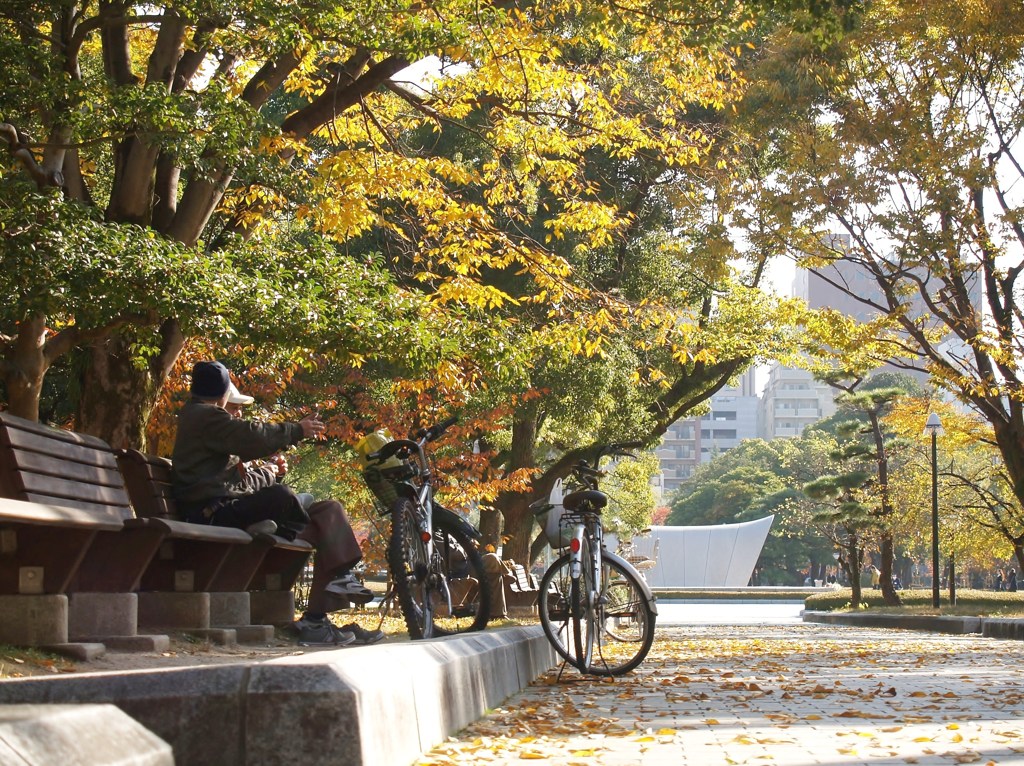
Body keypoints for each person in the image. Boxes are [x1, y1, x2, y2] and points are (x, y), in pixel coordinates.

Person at [171, 360, 383, 647]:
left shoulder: (205, 423)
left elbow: (239, 484)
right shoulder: (205, 416)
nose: (237, 412)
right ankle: (320, 612)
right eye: (233, 404)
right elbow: (250, 435)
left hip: (232, 510)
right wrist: (296, 430)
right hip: (215, 515)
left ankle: (331, 594)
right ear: (222, 393)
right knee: (286, 498)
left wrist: (269, 471)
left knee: (330, 509)